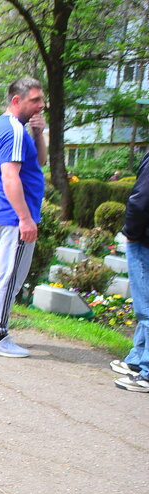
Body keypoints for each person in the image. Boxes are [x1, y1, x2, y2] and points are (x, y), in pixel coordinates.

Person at [0, 77, 48, 358]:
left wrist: (39, 134)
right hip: (11, 218)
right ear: (16, 100)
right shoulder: (13, 132)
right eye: (35, 100)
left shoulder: (7, 127)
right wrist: (26, 218)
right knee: (9, 277)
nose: (41, 105)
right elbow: (10, 177)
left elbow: (39, 163)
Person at [113, 125, 149, 392]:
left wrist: (131, 232)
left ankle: (146, 371)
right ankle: (137, 359)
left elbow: (140, 200)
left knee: (146, 306)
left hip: (144, 239)